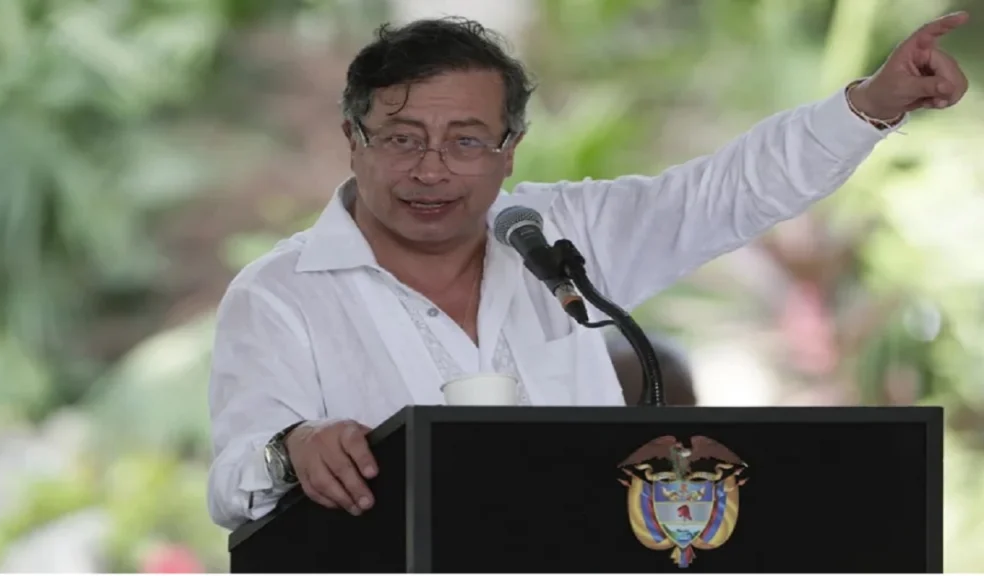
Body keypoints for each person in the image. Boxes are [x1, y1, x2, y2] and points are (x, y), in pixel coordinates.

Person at [207, 14, 969, 529]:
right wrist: (289, 450)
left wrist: (873, 103)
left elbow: (726, 193)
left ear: (510, 150)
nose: (432, 170)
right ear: (353, 138)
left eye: (467, 141)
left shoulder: (554, 236)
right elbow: (233, 480)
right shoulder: (281, 295)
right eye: (403, 139)